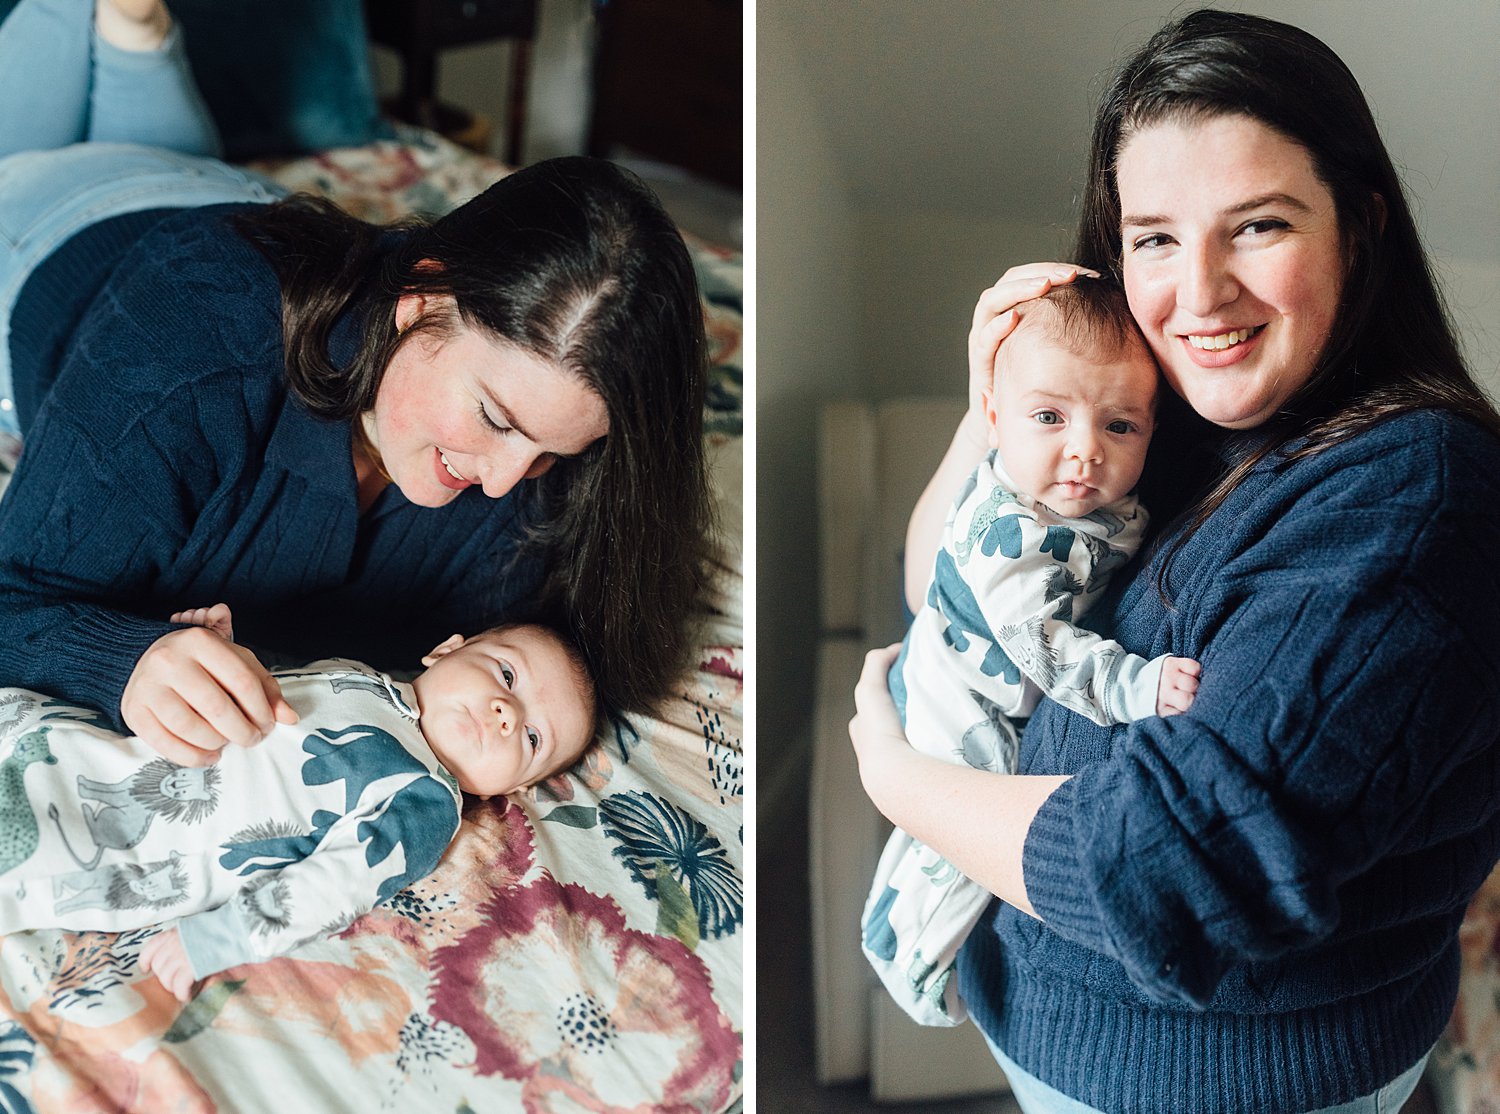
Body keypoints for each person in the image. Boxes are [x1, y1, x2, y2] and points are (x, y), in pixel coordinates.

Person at [848, 8, 1500, 1113]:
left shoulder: (1411, 496)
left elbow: (1180, 863)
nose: (1197, 294)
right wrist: (992, 411)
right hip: (1059, 1031)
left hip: (1221, 1085)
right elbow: (943, 588)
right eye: (1153, 235)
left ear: (1361, 226)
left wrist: (903, 784)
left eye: (1257, 226)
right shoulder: (1155, 416)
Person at [0, 0, 710, 770]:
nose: (506, 483)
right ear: (421, 302)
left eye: (551, 450)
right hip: (48, 216)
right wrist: (121, 658)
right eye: (497, 419)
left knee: (149, 94)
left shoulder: (540, 500)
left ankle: (136, 40)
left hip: (222, 188)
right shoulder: (195, 346)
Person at [861, 281, 1199, 1027]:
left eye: (1120, 426)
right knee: (953, 834)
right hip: (962, 691)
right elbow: (1050, 653)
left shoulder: (1087, 501)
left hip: (967, 664)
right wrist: (1140, 688)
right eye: (1048, 416)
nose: (1084, 450)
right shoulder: (1010, 538)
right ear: (993, 417)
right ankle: (905, 954)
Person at [0, 604, 598, 1004]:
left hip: (136, 831)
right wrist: (220, 650)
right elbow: (269, 695)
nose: (505, 713)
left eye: (531, 738)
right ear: (445, 651)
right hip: (95, 742)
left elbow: (335, 886)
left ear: (506, 790)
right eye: (506, 676)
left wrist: (221, 938)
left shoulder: (427, 799)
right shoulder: (363, 677)